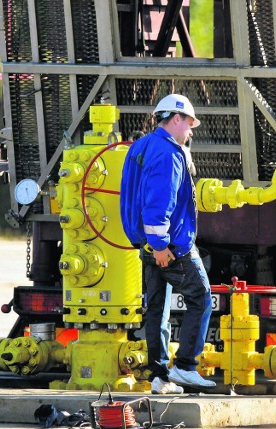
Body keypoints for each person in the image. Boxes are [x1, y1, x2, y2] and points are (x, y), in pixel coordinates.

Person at [120, 93, 215, 394]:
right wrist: (161, 244)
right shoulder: (169, 153)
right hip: (170, 246)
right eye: (189, 123)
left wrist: (151, 243)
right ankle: (186, 367)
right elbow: (158, 202)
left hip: (145, 244)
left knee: (157, 308)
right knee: (201, 297)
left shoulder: (142, 145)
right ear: (176, 119)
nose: (191, 130)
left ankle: (160, 376)